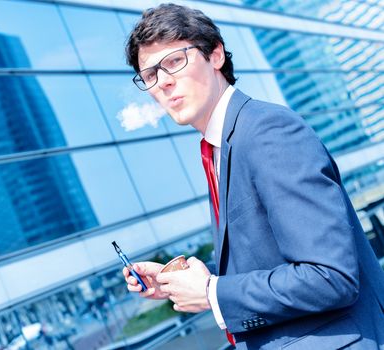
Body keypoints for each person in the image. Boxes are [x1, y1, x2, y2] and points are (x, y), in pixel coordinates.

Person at [121, 3, 384, 349]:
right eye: (151, 74)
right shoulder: (223, 146)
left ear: (215, 55)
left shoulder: (266, 131)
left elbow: (330, 276)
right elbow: (271, 259)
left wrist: (212, 293)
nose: (164, 82)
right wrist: (188, 282)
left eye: (174, 61)